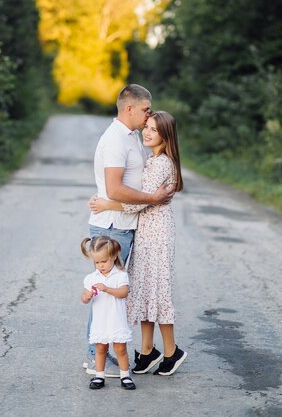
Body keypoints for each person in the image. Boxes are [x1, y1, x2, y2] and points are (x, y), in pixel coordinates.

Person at [90, 111, 187, 376]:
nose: (147, 132)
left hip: (157, 233)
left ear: (165, 136)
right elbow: (144, 197)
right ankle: (147, 351)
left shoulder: (162, 163)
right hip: (146, 229)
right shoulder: (152, 159)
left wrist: (108, 203)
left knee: (158, 290)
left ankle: (171, 351)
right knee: (144, 289)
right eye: (148, 127)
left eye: (154, 130)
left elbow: (145, 199)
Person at [81, 236, 136, 390]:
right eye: (97, 262)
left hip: (116, 319)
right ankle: (99, 376)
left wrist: (106, 289)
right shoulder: (92, 278)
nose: (100, 266)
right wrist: (86, 296)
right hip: (100, 320)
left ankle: (125, 376)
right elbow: (84, 298)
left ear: (113, 256)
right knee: (101, 348)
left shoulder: (120, 275)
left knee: (120, 348)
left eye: (103, 261)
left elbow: (123, 292)